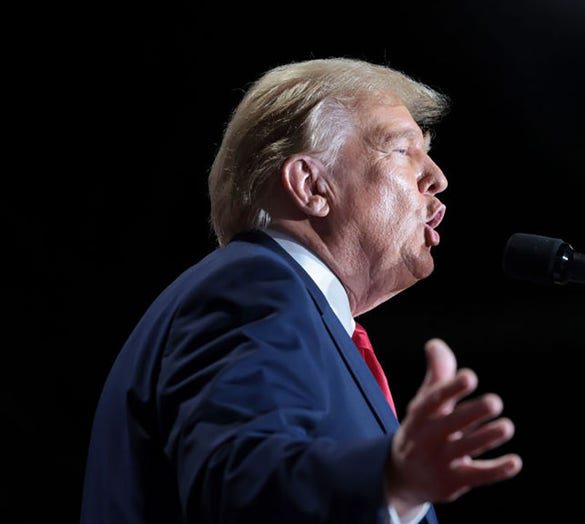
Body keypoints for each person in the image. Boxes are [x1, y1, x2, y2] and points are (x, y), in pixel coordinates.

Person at [80, 57, 523, 524]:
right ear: (312, 186)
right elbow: (240, 481)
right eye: (401, 150)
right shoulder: (251, 286)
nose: (436, 177)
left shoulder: (304, 315)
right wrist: (391, 480)